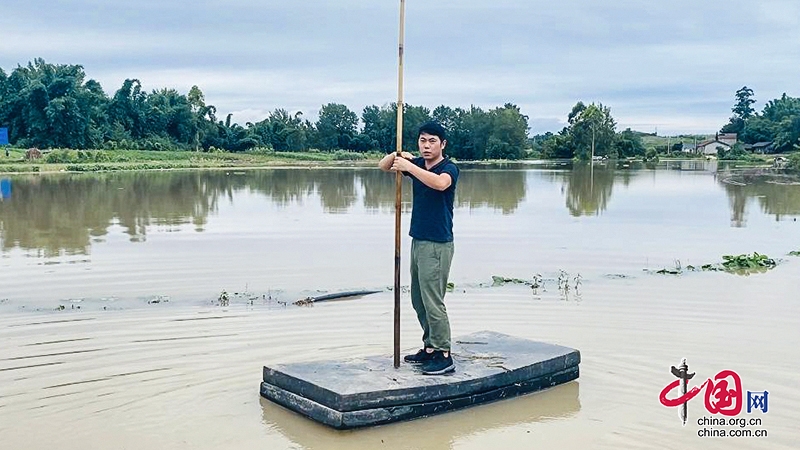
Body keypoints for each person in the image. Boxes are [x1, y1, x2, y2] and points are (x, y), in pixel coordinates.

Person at [378, 121, 459, 375]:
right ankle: (430, 347)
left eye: (432, 141)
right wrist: (397, 156)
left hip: (437, 243)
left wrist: (410, 166)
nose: (426, 146)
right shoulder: (417, 165)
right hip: (418, 240)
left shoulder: (449, 168)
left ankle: (444, 354)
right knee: (418, 299)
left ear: (442, 144)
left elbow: (439, 184)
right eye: (422, 140)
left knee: (433, 300)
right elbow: (383, 166)